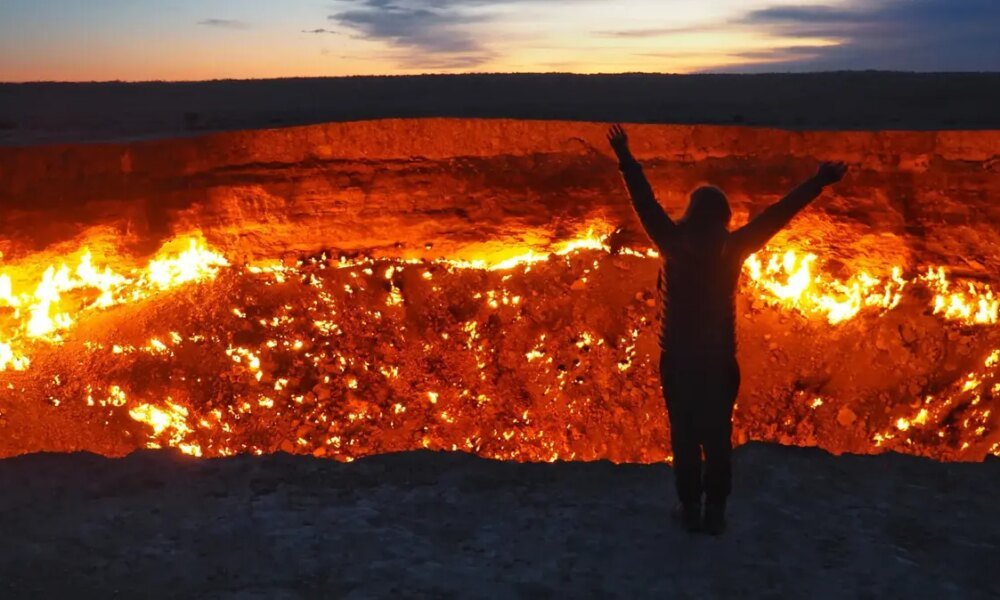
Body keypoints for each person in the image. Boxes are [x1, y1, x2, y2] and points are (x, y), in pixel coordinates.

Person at [606, 124, 847, 535]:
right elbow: (777, 215)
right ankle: (715, 510)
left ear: (691, 213)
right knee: (717, 436)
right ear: (723, 218)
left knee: (684, 434)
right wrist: (818, 181)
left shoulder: (671, 241)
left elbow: (644, 201)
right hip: (719, 361)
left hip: (679, 360)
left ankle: (689, 508)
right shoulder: (733, 247)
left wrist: (625, 155)